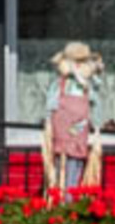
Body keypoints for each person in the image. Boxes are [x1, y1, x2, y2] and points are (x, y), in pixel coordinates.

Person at [43, 41, 104, 191]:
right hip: (61, 131)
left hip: (80, 131)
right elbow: (51, 103)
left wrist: (96, 126)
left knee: (76, 164)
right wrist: (48, 121)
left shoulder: (87, 86)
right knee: (59, 165)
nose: (78, 65)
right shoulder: (61, 84)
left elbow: (95, 104)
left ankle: (71, 200)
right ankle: (60, 199)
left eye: (82, 61)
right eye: (75, 61)